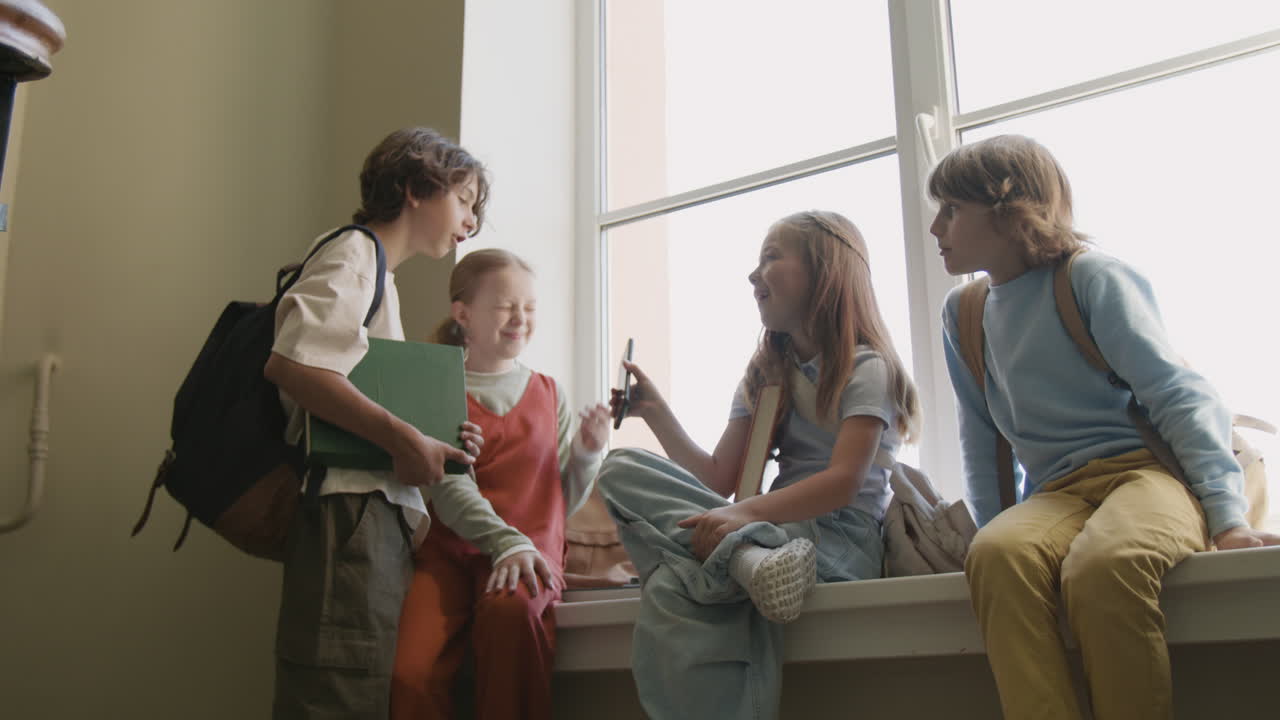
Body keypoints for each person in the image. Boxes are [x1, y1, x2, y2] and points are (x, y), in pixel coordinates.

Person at [929, 133, 1280, 720]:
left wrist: (1227, 516)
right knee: (994, 554)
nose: (936, 228)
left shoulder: (1089, 278)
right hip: (1059, 493)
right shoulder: (963, 314)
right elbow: (981, 436)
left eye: (951, 210)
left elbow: (1178, 395)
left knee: (1107, 566)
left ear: (1007, 208)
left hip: (1147, 473)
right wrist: (1000, 524)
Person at [597, 210, 920, 720]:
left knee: (675, 577)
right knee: (619, 469)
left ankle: (744, 553)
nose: (753, 275)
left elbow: (843, 483)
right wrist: (656, 416)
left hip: (840, 540)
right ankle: (748, 560)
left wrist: (745, 516)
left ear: (826, 272)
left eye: (771, 257)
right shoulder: (766, 375)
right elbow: (719, 479)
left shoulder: (867, 368)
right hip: (772, 531)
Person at [264, 127, 489, 719]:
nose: (471, 222)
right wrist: (403, 437)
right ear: (417, 187)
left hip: (368, 517)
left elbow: (344, 380)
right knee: (337, 697)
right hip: (352, 512)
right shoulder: (356, 254)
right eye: (464, 200)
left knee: (350, 692)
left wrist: (434, 435)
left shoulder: (377, 274)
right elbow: (294, 364)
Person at [390, 248, 612, 720]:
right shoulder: (436, 387)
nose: (520, 318)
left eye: (529, 308)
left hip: (530, 555)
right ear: (463, 313)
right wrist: (505, 543)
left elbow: (561, 501)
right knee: (409, 673)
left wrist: (590, 453)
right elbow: (449, 492)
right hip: (448, 557)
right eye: (505, 305)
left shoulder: (551, 393)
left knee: (511, 620)